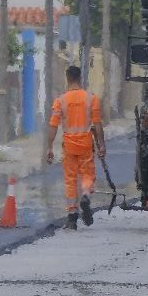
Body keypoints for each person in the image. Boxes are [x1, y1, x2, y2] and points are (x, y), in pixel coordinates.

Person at [45, 64, 106, 230]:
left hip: (69, 145)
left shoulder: (60, 101)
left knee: (70, 180)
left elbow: (53, 126)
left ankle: (72, 217)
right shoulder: (91, 99)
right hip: (86, 143)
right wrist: (101, 144)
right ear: (80, 78)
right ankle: (86, 195)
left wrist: (49, 146)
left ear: (67, 79)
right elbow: (97, 123)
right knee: (87, 174)